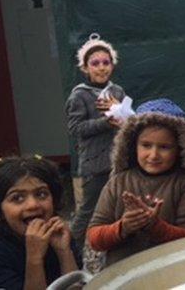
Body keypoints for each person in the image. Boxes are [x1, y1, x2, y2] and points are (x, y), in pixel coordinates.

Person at [86, 99, 185, 267]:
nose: (153, 155)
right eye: (146, 145)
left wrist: (155, 227)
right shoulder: (118, 182)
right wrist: (124, 227)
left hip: (171, 273)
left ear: (181, 148)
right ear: (132, 145)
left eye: (164, 147)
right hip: (122, 276)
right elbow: (94, 239)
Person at [64, 34, 126, 250]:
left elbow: (127, 122)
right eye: (95, 63)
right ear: (85, 68)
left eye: (106, 63)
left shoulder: (116, 91)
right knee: (88, 210)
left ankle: (117, 246)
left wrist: (124, 116)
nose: (101, 68)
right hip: (95, 162)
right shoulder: (79, 96)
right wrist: (106, 122)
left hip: (118, 159)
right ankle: (69, 250)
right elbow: (76, 128)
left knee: (120, 205)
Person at [0, 156, 81, 290]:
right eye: (17, 198)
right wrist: (34, 258)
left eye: (41, 194)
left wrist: (64, 252)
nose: (33, 205)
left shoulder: (60, 237)